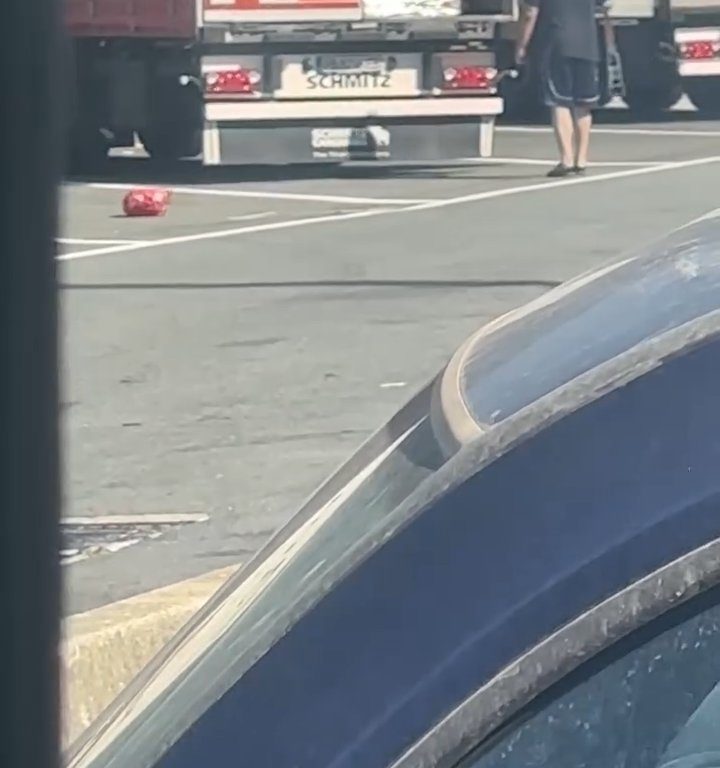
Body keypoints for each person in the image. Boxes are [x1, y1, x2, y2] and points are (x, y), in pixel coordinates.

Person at [515, 0, 603, 178]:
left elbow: (530, 13)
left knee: (559, 102)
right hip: (588, 44)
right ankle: (582, 159)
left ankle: (567, 159)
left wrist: (522, 46)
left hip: (557, 44)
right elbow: (602, 8)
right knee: (583, 104)